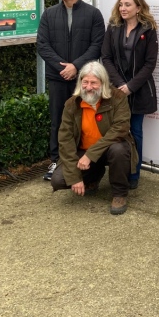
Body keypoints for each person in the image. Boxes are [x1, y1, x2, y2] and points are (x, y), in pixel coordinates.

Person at [36, 0, 105, 180]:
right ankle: (56, 162)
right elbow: (42, 44)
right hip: (58, 78)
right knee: (58, 120)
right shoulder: (49, 14)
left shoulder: (93, 14)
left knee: (85, 119)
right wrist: (62, 68)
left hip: (85, 80)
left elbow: (97, 45)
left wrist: (75, 66)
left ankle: (86, 161)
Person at [50, 61, 137, 215]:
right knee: (58, 180)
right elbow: (65, 141)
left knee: (119, 149)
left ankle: (119, 194)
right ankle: (94, 175)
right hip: (83, 152)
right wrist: (75, 177)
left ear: (103, 83)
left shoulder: (117, 97)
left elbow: (120, 129)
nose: (89, 87)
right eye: (85, 82)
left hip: (109, 149)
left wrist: (91, 155)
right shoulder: (71, 104)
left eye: (94, 83)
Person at [101, 0, 158, 190]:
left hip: (139, 91)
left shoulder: (148, 30)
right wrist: (119, 84)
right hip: (116, 90)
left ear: (138, 8)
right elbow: (105, 57)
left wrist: (131, 86)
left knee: (135, 132)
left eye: (127, 5)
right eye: (121, 5)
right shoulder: (113, 27)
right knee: (115, 131)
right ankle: (117, 172)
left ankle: (134, 174)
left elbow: (150, 64)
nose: (123, 8)